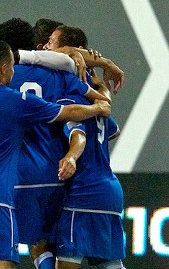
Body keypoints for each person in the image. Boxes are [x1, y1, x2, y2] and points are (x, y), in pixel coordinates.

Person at [0, 39, 111, 269]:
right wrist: (98, 108)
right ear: (5, 68)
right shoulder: (16, 100)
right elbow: (66, 112)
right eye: (12, 68)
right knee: (2, 263)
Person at [55, 92, 125, 269]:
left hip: (85, 192)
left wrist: (71, 156)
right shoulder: (95, 104)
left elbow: (79, 135)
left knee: (67, 262)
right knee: (111, 263)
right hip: (111, 191)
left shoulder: (69, 102)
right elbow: (114, 131)